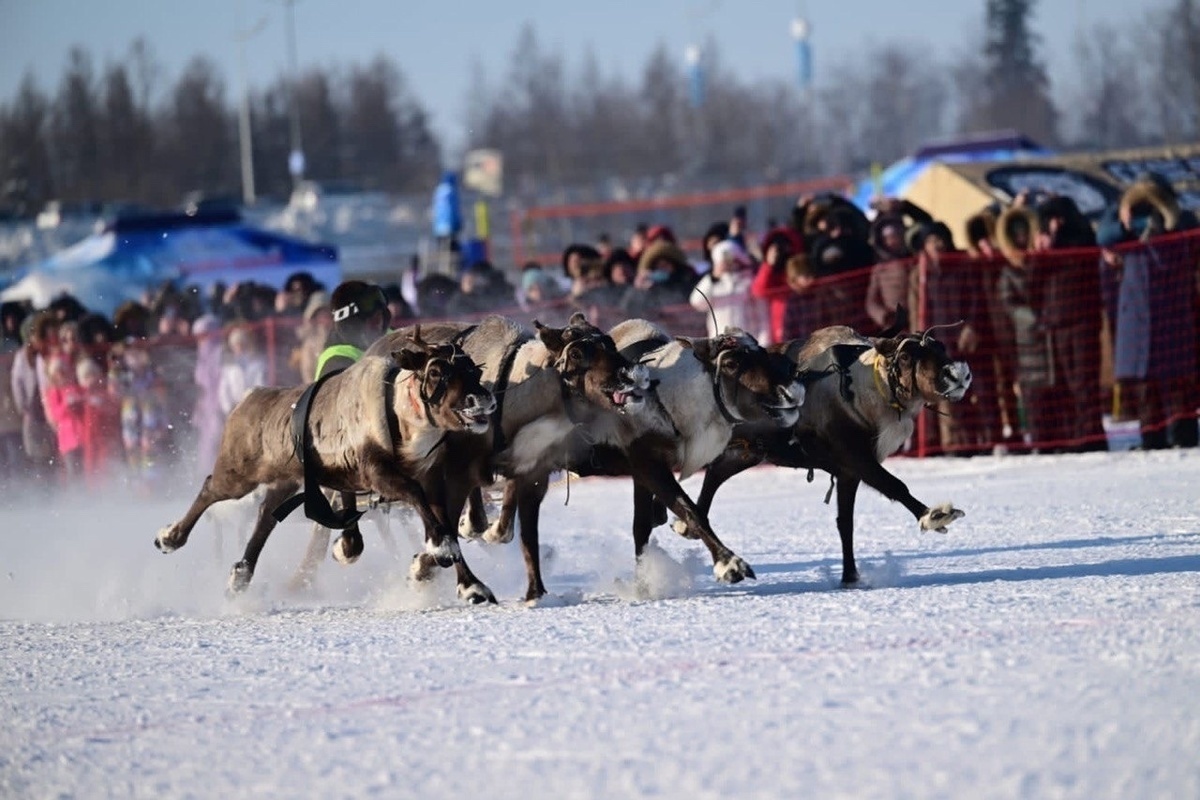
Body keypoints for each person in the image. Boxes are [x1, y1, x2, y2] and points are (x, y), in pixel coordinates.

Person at [1098, 175, 1199, 449]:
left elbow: (1182, 248)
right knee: (1145, 387)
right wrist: (1124, 221)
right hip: (1138, 320)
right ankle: (1151, 438)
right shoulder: (1123, 218)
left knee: (1178, 384)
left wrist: (1160, 228)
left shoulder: (1182, 220)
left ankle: (1185, 436)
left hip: (1172, 315)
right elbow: (1103, 236)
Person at [690, 239, 766, 339]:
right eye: (724, 260)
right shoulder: (712, 283)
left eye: (731, 258)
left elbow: (762, 313)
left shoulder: (749, 281)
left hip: (747, 340)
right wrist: (713, 278)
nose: (728, 263)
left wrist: (763, 340)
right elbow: (696, 302)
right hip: (720, 340)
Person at [314, 281, 391, 379]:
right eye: (372, 321)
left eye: (380, 317)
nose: (379, 324)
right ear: (350, 325)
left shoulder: (390, 336)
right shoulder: (336, 360)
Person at [218, 325, 268, 417]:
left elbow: (261, 384)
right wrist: (229, 408)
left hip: (252, 407)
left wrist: (254, 404)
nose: (239, 347)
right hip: (234, 409)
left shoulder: (257, 364)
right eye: (236, 345)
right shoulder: (229, 368)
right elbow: (224, 390)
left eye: (241, 344)